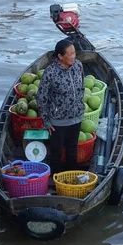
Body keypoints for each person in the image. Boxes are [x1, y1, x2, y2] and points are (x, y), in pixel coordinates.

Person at [37, 39, 85, 173]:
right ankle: (56, 177)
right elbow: (41, 97)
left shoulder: (78, 66)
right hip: (58, 121)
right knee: (56, 153)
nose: (73, 56)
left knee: (72, 150)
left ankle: (71, 179)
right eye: (70, 54)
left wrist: (80, 107)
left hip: (76, 118)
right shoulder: (50, 73)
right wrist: (46, 120)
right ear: (60, 56)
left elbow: (81, 87)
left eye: (74, 53)